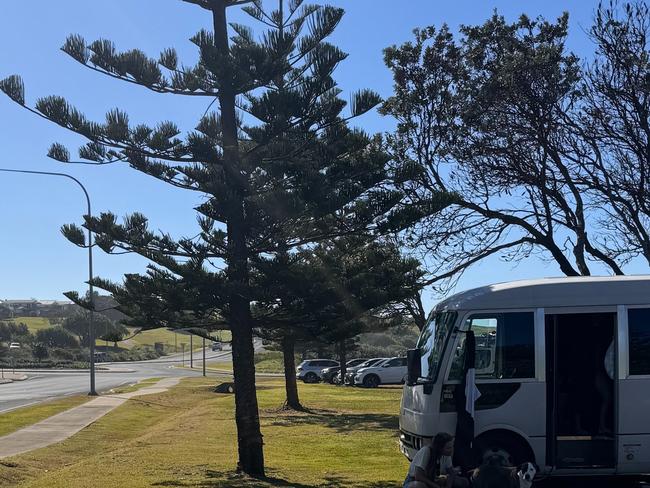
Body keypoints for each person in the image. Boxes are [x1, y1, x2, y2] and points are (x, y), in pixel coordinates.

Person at [403, 433, 469, 488]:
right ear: (440, 448)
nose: (451, 450)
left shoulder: (446, 455)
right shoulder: (426, 451)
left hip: (433, 480)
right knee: (419, 486)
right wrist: (435, 486)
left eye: (452, 446)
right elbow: (418, 476)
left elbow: (451, 472)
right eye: (448, 448)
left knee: (462, 482)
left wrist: (448, 486)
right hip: (414, 481)